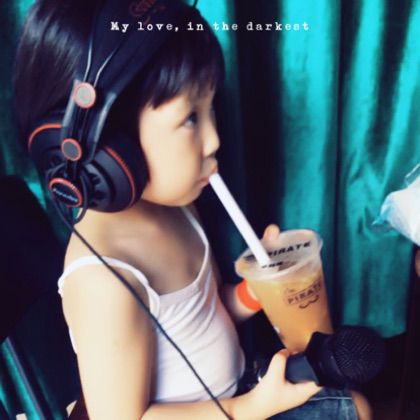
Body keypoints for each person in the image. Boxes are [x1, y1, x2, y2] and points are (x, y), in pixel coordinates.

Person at [13, 0, 369, 418]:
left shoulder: (177, 206)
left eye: (210, 107)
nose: (215, 139)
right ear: (109, 145)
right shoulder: (104, 279)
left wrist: (255, 291)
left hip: (232, 393)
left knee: (353, 406)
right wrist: (251, 408)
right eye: (190, 118)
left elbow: (206, 318)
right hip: (223, 409)